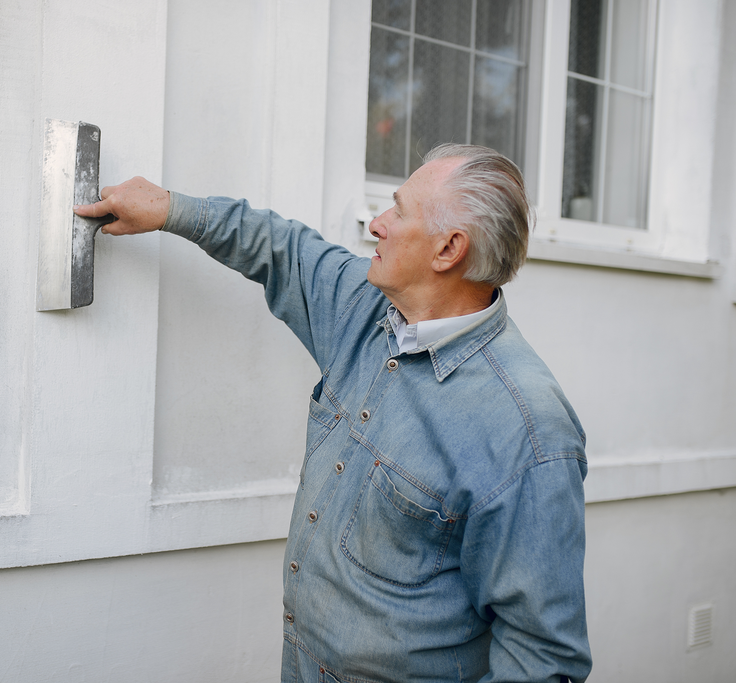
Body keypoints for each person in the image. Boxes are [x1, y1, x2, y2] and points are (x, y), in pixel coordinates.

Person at [75, 144, 591, 683]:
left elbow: (542, 660)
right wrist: (168, 209)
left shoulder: (525, 431)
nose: (377, 224)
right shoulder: (368, 311)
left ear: (448, 250)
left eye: (399, 211)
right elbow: (281, 247)